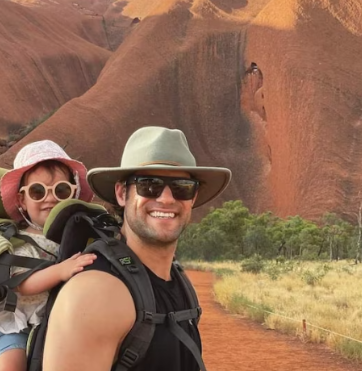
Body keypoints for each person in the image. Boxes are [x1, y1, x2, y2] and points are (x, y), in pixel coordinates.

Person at [43, 127, 231, 371]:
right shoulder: (94, 293)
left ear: (193, 198)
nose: (166, 198)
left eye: (182, 187)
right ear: (122, 193)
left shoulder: (178, 281)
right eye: (149, 185)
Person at [0, 140, 97, 371]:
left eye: (61, 190)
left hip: (60, 323)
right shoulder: (20, 241)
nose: (50, 198)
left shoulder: (77, 237)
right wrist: (61, 270)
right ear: (22, 200)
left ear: (73, 193)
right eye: (38, 191)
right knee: (11, 363)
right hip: (18, 325)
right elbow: (21, 285)